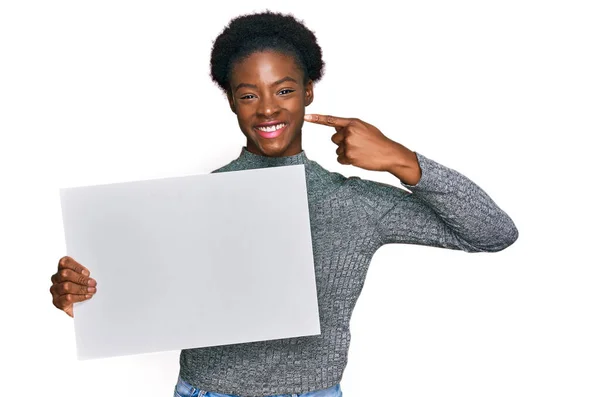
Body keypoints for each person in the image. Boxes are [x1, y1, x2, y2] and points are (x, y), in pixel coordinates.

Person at [49, 10, 519, 397]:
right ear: (232, 102)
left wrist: (401, 159)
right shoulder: (189, 205)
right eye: (249, 94)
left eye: (285, 90)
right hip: (206, 391)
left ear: (309, 91)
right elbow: (142, 299)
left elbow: (494, 233)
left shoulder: (353, 201)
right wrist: (85, 299)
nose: (268, 108)